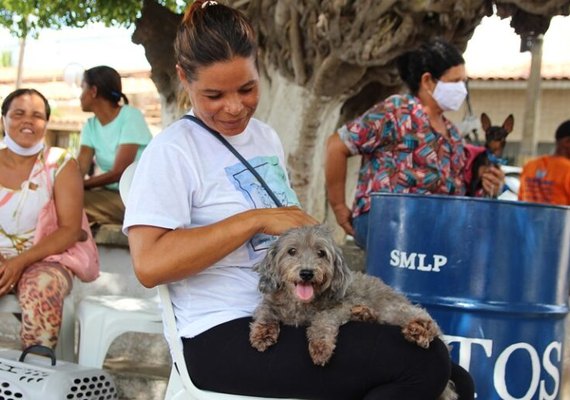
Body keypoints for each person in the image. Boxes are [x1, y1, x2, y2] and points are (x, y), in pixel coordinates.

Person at [123, 2, 474, 399]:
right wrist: (255, 220)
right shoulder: (173, 151)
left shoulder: (265, 138)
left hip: (297, 314)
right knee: (420, 366)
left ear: (260, 67)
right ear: (184, 79)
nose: (234, 106)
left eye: (247, 88)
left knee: (453, 377)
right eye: (214, 94)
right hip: (222, 334)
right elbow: (149, 264)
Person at [325, 38, 505, 249]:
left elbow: (456, 192)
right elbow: (337, 145)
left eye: (463, 82)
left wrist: (487, 183)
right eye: (455, 82)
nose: (462, 89)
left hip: (437, 229)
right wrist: (338, 207)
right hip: (390, 224)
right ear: (428, 81)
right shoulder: (397, 112)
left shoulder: (453, 135)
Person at [0, 88, 84, 350]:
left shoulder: (60, 163)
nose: (28, 121)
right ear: (3, 118)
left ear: (46, 123)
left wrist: (18, 262)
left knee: (42, 287)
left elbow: (70, 230)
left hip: (44, 259)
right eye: (18, 114)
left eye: (37, 115)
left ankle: (34, 372)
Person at [77, 65, 153, 226]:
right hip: (111, 194)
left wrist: (81, 185)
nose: (80, 96)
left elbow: (119, 172)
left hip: (137, 197)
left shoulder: (130, 116)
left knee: (72, 204)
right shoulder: (90, 126)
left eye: (83, 88)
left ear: (93, 91)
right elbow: (79, 169)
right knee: (63, 200)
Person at [518, 119, 570, 205]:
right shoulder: (568, 170)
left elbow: (520, 200)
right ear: (567, 142)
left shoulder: (530, 166)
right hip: (559, 218)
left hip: (527, 218)